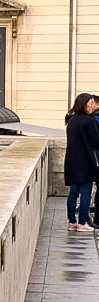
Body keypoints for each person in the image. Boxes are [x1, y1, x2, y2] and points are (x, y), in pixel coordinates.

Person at [64, 93, 99, 232]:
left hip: (72, 160)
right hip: (86, 161)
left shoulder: (71, 120)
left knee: (73, 192)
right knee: (86, 192)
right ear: (84, 104)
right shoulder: (89, 121)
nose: (92, 106)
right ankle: (83, 222)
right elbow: (96, 141)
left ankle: (72, 221)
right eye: (90, 104)